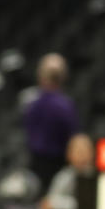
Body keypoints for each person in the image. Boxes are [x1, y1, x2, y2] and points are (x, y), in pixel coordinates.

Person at [24, 53, 80, 192]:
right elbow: (73, 137)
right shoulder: (65, 106)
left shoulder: (31, 103)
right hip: (56, 163)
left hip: (41, 162)